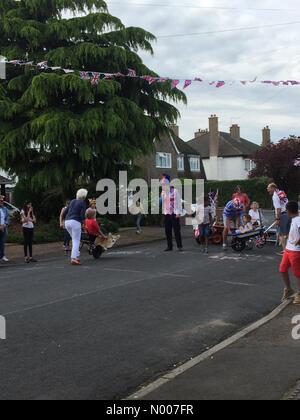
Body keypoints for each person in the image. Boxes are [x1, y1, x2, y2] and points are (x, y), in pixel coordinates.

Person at [279, 201, 300, 305]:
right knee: (282, 269)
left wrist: (298, 241)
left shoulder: (298, 219)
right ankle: (288, 289)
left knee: (298, 274)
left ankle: (299, 294)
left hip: (296, 251)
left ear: (288, 211)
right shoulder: (294, 219)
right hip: (288, 249)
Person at [63, 189, 88, 266]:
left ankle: (76, 254)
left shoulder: (72, 201)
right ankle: (74, 258)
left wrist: (64, 219)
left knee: (74, 239)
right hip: (75, 222)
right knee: (76, 240)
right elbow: (82, 215)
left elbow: (64, 212)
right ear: (84, 196)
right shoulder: (82, 203)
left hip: (67, 222)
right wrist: (84, 224)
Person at [161, 175, 183, 252]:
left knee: (176, 230)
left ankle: (179, 246)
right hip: (167, 213)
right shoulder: (163, 192)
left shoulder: (175, 191)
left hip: (174, 213)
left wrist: (178, 213)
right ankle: (169, 246)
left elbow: (179, 203)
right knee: (167, 231)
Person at [267, 183, 290, 251]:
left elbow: (278, 208)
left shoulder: (275, 195)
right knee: (288, 233)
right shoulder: (281, 192)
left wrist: (277, 218)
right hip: (288, 213)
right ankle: (289, 249)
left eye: (268, 188)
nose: (267, 189)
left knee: (281, 234)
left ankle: (285, 251)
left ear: (273, 188)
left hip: (283, 214)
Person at [0, 196, 9, 262]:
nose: (2, 201)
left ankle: (2, 255)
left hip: (4, 228)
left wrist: (5, 224)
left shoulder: (5, 209)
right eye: (1, 200)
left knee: (2, 243)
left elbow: (7, 218)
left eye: (2, 200)